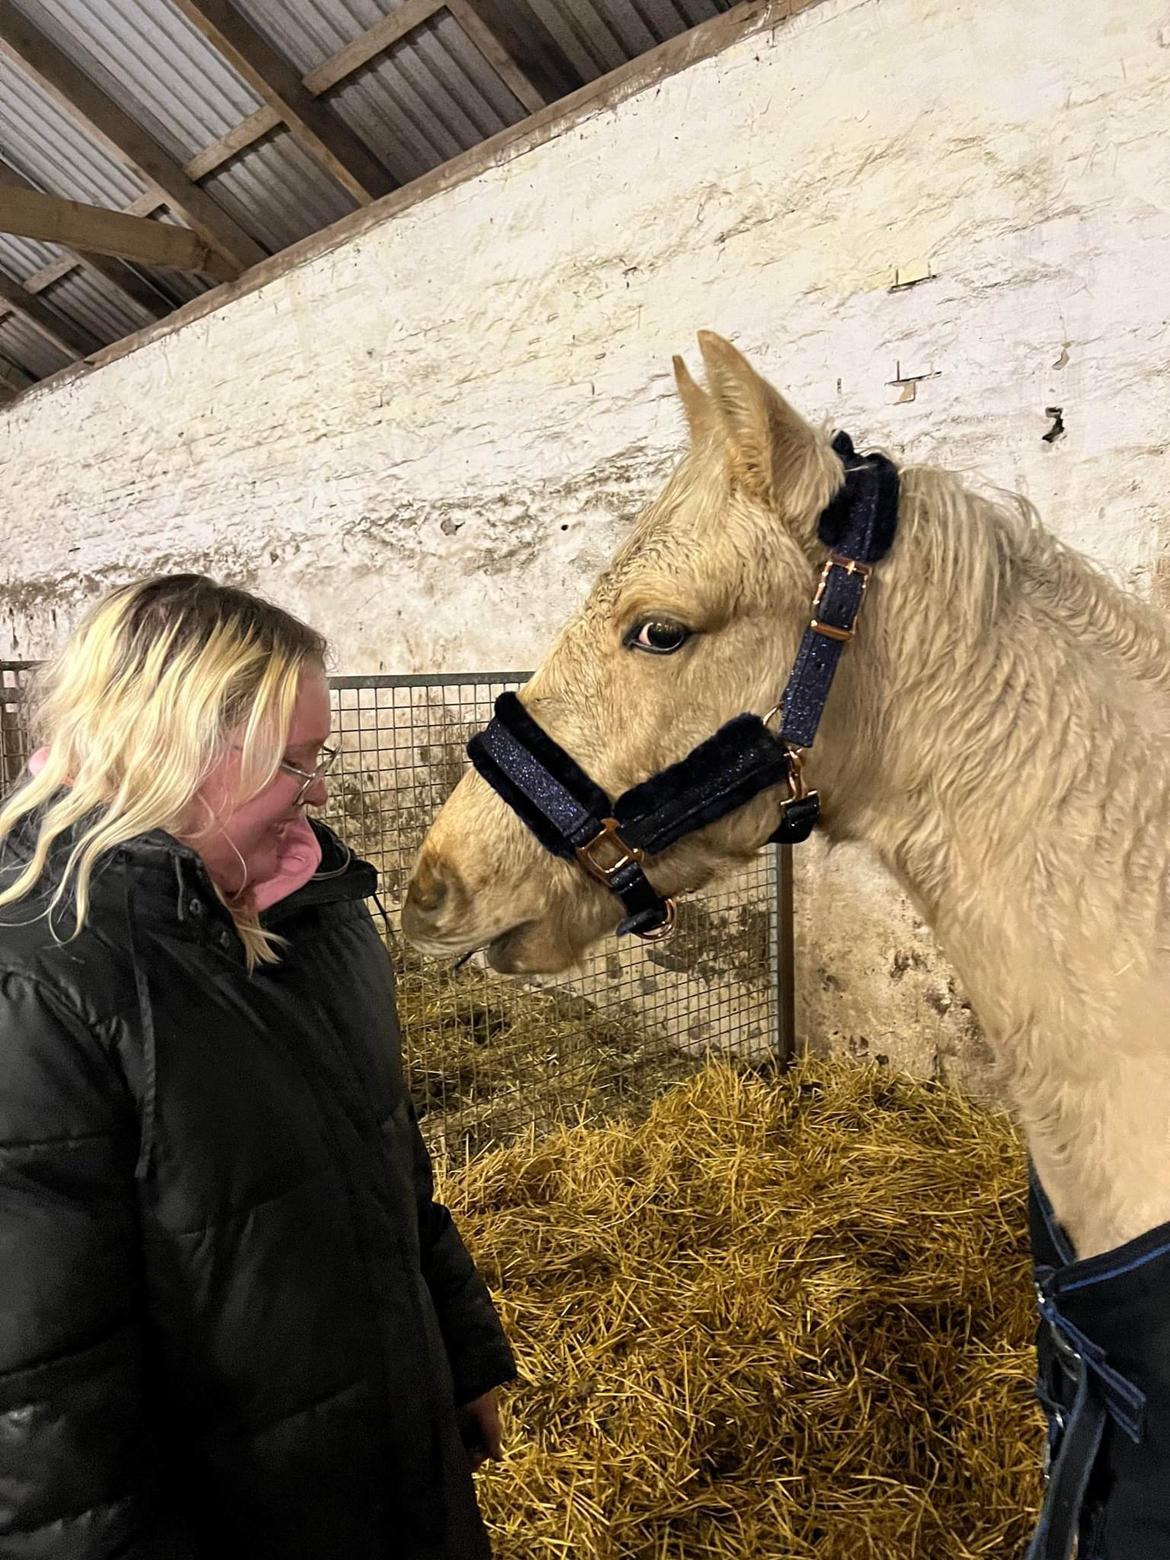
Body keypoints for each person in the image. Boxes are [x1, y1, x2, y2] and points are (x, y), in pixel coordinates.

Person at [0, 575, 515, 1559]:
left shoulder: (317, 909)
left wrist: (457, 1350)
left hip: (386, 1467)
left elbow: (385, 1153)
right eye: (294, 762)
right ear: (174, 744)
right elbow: (42, 1399)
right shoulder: (42, 989)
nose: (317, 794)